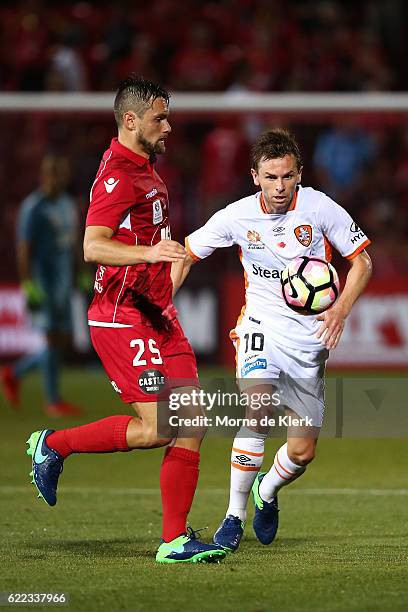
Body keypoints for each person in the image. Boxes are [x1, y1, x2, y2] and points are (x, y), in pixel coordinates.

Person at [25, 76, 226, 565]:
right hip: (121, 315)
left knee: (194, 421)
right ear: (131, 120)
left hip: (159, 312)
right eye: (160, 118)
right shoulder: (118, 174)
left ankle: (174, 542)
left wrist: (168, 269)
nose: (169, 126)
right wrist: (150, 252)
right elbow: (93, 245)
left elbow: (146, 242)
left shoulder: (146, 169)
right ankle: (53, 444)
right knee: (159, 428)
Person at [173, 128, 372, 552]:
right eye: (270, 177)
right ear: (254, 176)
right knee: (259, 409)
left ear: (299, 174)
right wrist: (162, 306)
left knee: (301, 452)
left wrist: (338, 309)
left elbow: (363, 262)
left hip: (310, 339)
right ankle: (233, 515)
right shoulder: (237, 216)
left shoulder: (319, 207)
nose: (279, 187)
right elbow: (188, 254)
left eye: (286, 177)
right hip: (259, 327)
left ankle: (267, 490)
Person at [0, 155, 83, 417]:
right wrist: (28, 285)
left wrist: (81, 273)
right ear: (44, 175)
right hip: (42, 282)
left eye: (60, 173)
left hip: (62, 283)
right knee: (49, 338)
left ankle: (14, 373)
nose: (55, 178)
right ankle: (53, 401)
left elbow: (74, 244)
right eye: (51, 173)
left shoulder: (68, 205)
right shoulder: (33, 207)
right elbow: (24, 249)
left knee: (61, 340)